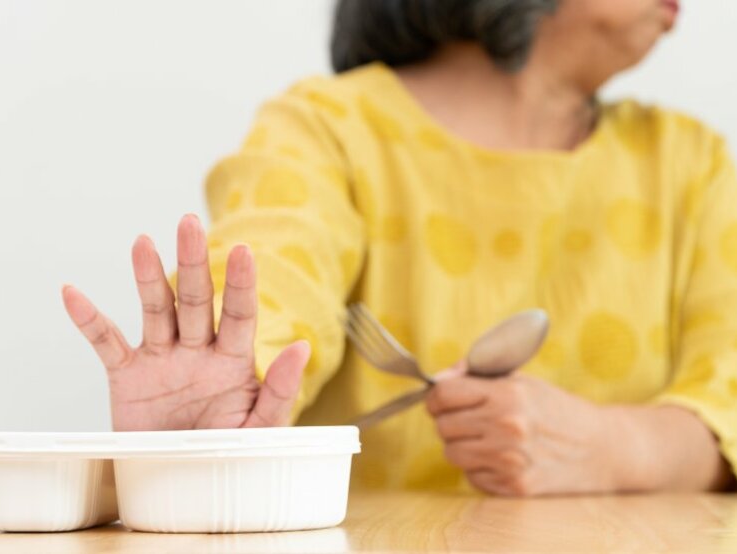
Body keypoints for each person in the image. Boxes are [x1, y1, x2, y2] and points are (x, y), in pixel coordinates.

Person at [61, 0, 737, 496]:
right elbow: (280, 267)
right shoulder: (324, 130)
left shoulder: (692, 162)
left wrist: (613, 448)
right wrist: (230, 380)